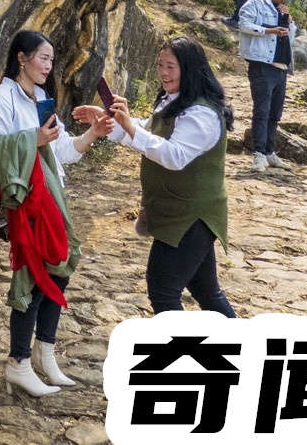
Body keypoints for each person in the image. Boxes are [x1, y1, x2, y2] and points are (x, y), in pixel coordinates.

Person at [0, 30, 114, 397]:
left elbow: (61, 150)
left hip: (52, 197)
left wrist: (92, 134)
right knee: (34, 279)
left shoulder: (41, 98)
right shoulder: (1, 98)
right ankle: (19, 363)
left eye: (51, 60)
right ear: (21, 59)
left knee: (59, 269)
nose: (48, 66)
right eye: (42, 58)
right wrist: (31, 141)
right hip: (26, 202)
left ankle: (45, 352)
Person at [98, 36, 238, 317]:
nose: (163, 72)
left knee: (163, 292)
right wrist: (110, 123)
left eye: (171, 66)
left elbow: (174, 156)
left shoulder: (201, 113)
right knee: (206, 291)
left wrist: (131, 128)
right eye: (160, 65)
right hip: (175, 210)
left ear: (189, 68)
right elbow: (149, 133)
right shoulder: (172, 100)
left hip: (192, 216)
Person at [235, 0, 299, 172]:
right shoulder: (256, 3)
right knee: (262, 111)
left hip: (281, 67)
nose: (285, 0)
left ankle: (270, 152)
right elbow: (243, 24)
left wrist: (289, 21)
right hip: (262, 64)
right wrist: (269, 30)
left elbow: (291, 36)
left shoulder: (281, 10)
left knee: (275, 113)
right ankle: (259, 154)